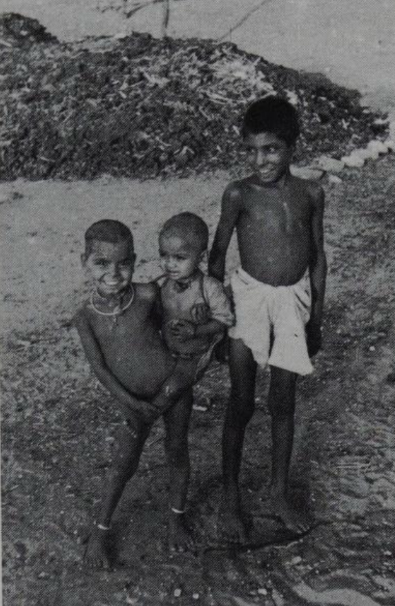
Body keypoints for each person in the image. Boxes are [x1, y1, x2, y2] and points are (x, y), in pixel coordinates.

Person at [209, 95, 327, 544]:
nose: (261, 161)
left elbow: (317, 258)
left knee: (284, 400)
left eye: (272, 149)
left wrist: (316, 318)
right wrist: (219, 320)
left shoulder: (311, 194)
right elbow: (218, 254)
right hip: (248, 301)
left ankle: (278, 493)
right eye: (252, 150)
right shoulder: (238, 194)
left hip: (292, 302)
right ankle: (230, 497)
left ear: (292, 146)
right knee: (241, 400)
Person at [74, 219, 195, 569]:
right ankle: (100, 531)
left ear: (135, 261)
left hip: (172, 391)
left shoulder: (147, 295)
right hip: (134, 403)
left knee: (177, 452)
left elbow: (171, 333)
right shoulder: (85, 317)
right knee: (123, 464)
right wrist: (133, 404)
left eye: (123, 263)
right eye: (101, 263)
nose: (114, 273)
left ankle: (176, 519)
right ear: (84, 262)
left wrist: (176, 382)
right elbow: (101, 370)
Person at [156, 212, 235, 393]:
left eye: (179, 258)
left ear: (201, 257)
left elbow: (226, 320)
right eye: (164, 255)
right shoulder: (164, 284)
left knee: (170, 390)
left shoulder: (209, 287)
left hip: (194, 355)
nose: (170, 264)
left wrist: (196, 330)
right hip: (169, 352)